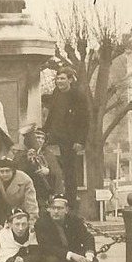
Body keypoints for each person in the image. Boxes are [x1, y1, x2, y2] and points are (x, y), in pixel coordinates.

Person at [42, 66, 90, 208]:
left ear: (70, 79)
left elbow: (84, 120)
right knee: (51, 166)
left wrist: (80, 140)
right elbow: (51, 115)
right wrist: (44, 131)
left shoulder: (78, 96)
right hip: (54, 136)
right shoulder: (56, 93)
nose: (59, 81)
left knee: (70, 170)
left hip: (70, 139)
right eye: (57, 78)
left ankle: (70, 200)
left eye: (62, 78)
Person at [15, 126, 63, 208]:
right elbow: (16, 172)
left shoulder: (49, 154)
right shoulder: (21, 154)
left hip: (43, 192)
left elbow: (58, 172)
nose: (39, 140)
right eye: (37, 137)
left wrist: (48, 171)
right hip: (26, 192)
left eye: (42, 138)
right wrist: (27, 161)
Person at [0, 156, 39, 224]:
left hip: (19, 212)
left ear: (13, 170)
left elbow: (31, 202)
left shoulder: (25, 179)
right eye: (1, 171)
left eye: (7, 171)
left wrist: (31, 220)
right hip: (0, 212)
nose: (4, 174)